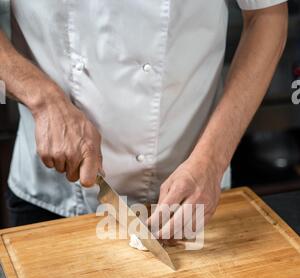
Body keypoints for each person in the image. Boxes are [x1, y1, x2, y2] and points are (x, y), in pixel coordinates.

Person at [0, 1, 288, 237]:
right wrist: (42, 98)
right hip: (54, 193)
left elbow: (266, 16)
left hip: (191, 188)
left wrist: (212, 161)